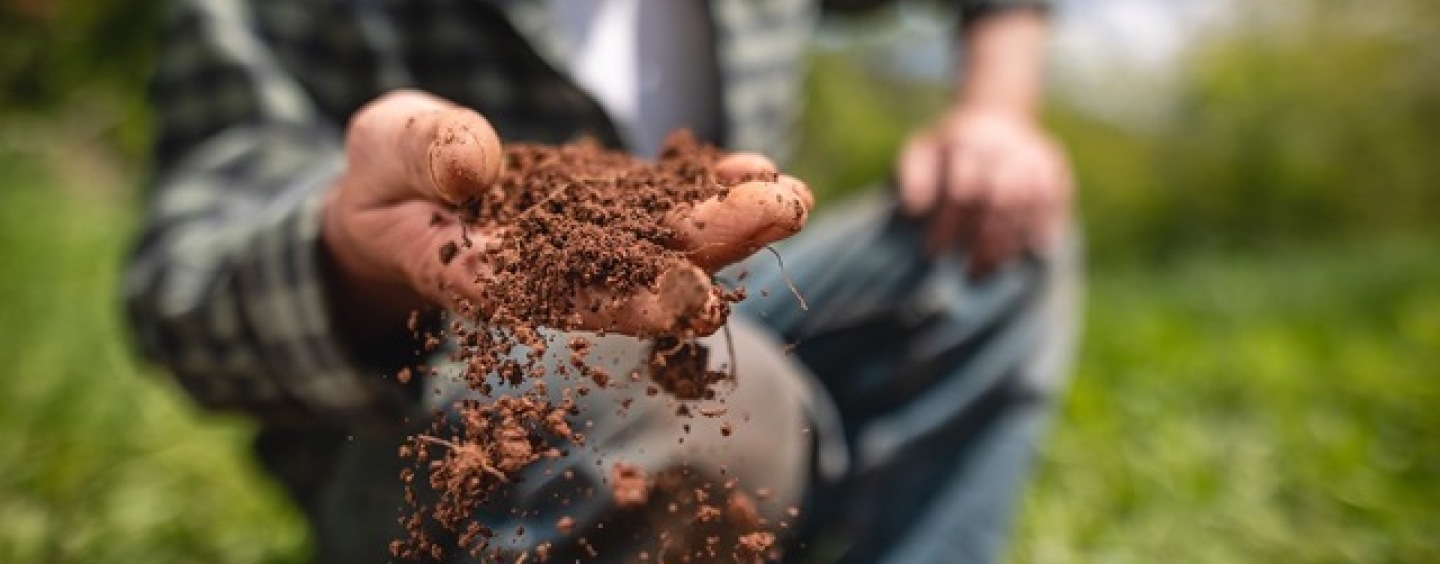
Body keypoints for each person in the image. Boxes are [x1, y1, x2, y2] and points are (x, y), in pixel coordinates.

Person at [124, 0, 1079, 562]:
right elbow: (182, 283)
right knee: (719, 403)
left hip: (720, 309)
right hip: (436, 402)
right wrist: (356, 250)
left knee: (994, 240)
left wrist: (996, 110)